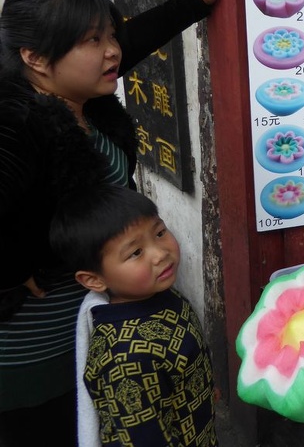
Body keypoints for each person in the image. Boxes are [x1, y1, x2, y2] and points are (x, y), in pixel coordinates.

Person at [0, 0, 222, 447]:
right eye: (91, 41)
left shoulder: (79, 99)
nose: (112, 51)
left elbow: (133, 40)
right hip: (31, 350)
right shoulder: (16, 125)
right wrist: (11, 272)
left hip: (88, 322)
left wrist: (195, 0)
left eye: (108, 35)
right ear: (34, 58)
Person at [50, 183, 217, 447]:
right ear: (93, 280)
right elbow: (142, 437)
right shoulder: (124, 359)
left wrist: (203, 387)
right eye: (136, 252)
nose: (160, 254)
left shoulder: (161, 294)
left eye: (160, 232)